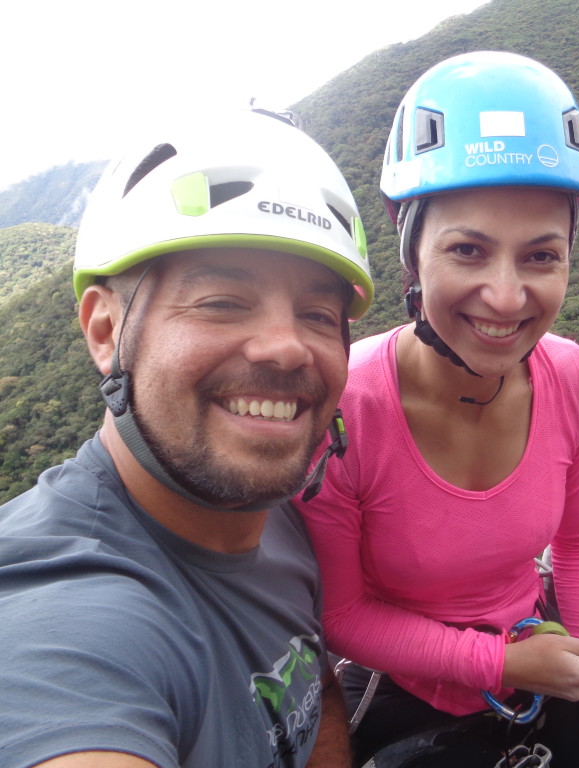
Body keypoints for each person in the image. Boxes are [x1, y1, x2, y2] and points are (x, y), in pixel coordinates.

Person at [296, 52, 579, 768]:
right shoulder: (347, 407)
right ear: (411, 244)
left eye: (540, 257)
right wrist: (505, 665)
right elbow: (342, 616)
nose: (505, 296)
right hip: (411, 687)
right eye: (467, 250)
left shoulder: (574, 380)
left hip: (543, 655)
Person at [0, 104, 375, 768]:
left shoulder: (272, 513)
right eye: (221, 302)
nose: (287, 347)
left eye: (319, 314)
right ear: (105, 331)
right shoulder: (66, 620)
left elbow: (310, 688)